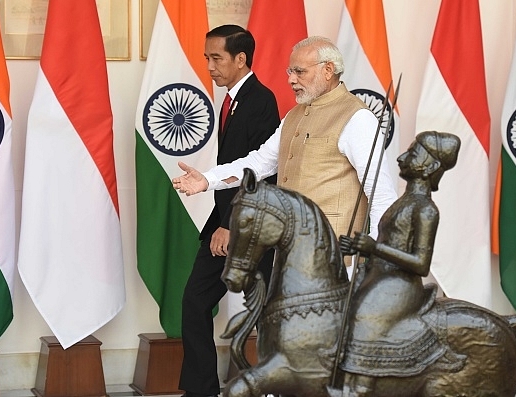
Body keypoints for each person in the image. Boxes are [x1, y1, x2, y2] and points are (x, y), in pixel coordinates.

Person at [172, 36, 397, 248]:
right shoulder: (294, 115)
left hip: (334, 259)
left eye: (300, 72)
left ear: (328, 70)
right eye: (290, 71)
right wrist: (208, 180)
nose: (291, 79)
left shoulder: (357, 117)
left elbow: (381, 193)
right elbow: (260, 163)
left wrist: (376, 251)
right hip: (289, 252)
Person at [178, 25, 280, 397]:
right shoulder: (232, 99)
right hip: (224, 220)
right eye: (206, 57)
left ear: (241, 59)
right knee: (194, 301)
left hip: (250, 224)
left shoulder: (260, 101)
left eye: (216, 58)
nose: (209, 66)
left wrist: (230, 226)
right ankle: (201, 390)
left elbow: (259, 173)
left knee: (268, 309)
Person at [335, 131, 463, 397]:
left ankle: (363, 383)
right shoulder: (402, 203)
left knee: (363, 317)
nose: (402, 157)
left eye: (413, 153)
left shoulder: (425, 209)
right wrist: (362, 250)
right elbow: (390, 245)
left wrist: (374, 248)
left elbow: (420, 263)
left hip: (400, 286)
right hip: (380, 279)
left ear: (429, 167)